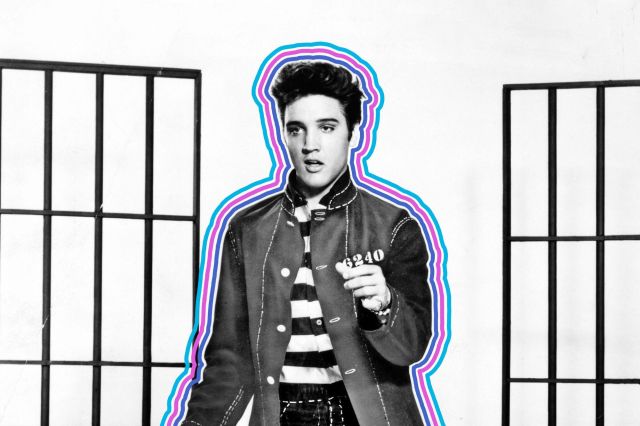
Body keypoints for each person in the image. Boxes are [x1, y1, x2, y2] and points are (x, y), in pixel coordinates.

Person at [183, 61, 431, 426]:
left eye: (327, 127)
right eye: (295, 129)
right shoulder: (247, 230)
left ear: (353, 132)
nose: (309, 145)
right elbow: (228, 360)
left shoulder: (393, 225)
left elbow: (412, 348)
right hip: (279, 415)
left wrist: (384, 305)